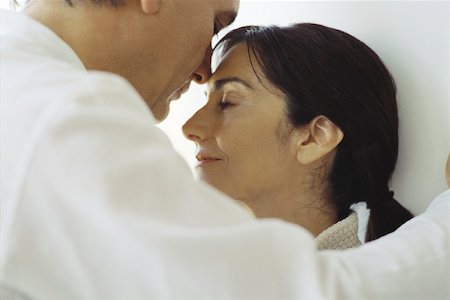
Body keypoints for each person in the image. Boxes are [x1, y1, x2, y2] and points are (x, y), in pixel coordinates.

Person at [0, 0, 448, 299]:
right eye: (215, 21)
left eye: (228, 101)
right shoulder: (57, 115)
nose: (200, 70)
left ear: (314, 136)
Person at [182, 24, 414, 250]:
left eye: (227, 103)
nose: (190, 127)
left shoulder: (369, 282)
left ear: (314, 137)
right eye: (206, 100)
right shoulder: (202, 265)